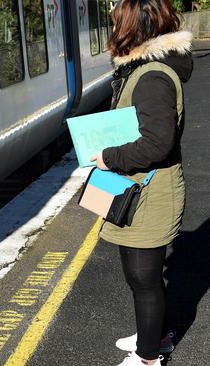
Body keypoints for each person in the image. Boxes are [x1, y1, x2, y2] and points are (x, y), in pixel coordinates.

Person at [88, 0, 193, 365]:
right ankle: (154, 335)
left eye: (117, 20)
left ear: (133, 26)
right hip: (140, 189)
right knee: (140, 277)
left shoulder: (151, 77)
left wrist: (108, 157)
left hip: (150, 192)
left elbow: (157, 142)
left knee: (143, 278)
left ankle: (149, 356)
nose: (112, 26)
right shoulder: (145, 69)